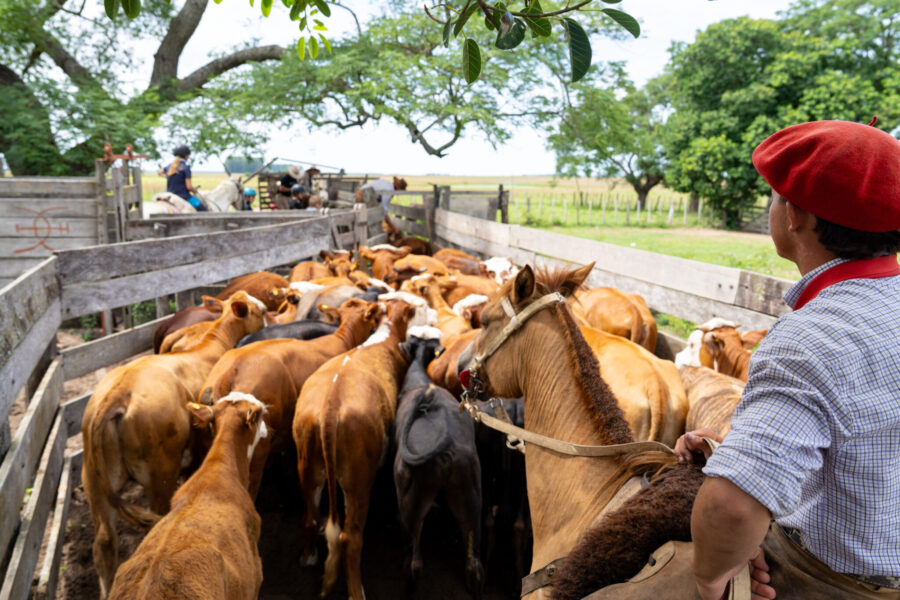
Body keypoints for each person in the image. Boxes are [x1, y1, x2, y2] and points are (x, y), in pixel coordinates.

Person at [676, 120, 900, 600]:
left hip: (834, 581)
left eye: (774, 197)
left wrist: (710, 576)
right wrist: (743, 449)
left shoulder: (812, 337)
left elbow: (732, 510)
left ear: (795, 214)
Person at [157, 145, 206, 211]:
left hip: (169, 194)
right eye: (188, 155)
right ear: (186, 155)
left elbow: (159, 172)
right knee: (203, 210)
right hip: (183, 196)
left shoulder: (170, 166)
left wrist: (168, 176)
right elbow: (189, 187)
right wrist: (194, 190)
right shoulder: (186, 168)